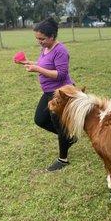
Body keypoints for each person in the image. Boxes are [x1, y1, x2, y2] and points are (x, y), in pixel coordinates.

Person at [21, 17, 76, 171]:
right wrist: (30, 62)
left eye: (42, 39)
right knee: (40, 119)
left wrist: (37, 69)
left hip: (60, 94)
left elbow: (60, 74)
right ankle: (68, 137)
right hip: (48, 92)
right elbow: (43, 64)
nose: (39, 41)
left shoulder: (61, 50)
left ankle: (63, 159)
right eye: (37, 38)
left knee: (59, 125)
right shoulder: (45, 48)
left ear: (52, 36)